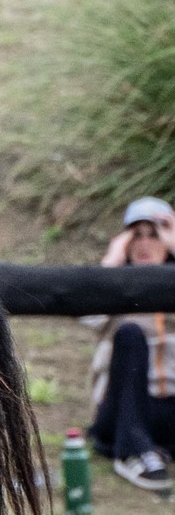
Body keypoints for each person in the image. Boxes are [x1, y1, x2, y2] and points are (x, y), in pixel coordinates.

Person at [85, 195, 175, 492]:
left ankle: (154, 449)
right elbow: (87, 317)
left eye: (155, 235)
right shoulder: (116, 291)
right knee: (131, 334)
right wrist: (112, 261)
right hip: (121, 413)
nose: (145, 244)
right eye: (136, 235)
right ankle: (132, 451)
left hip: (169, 410)